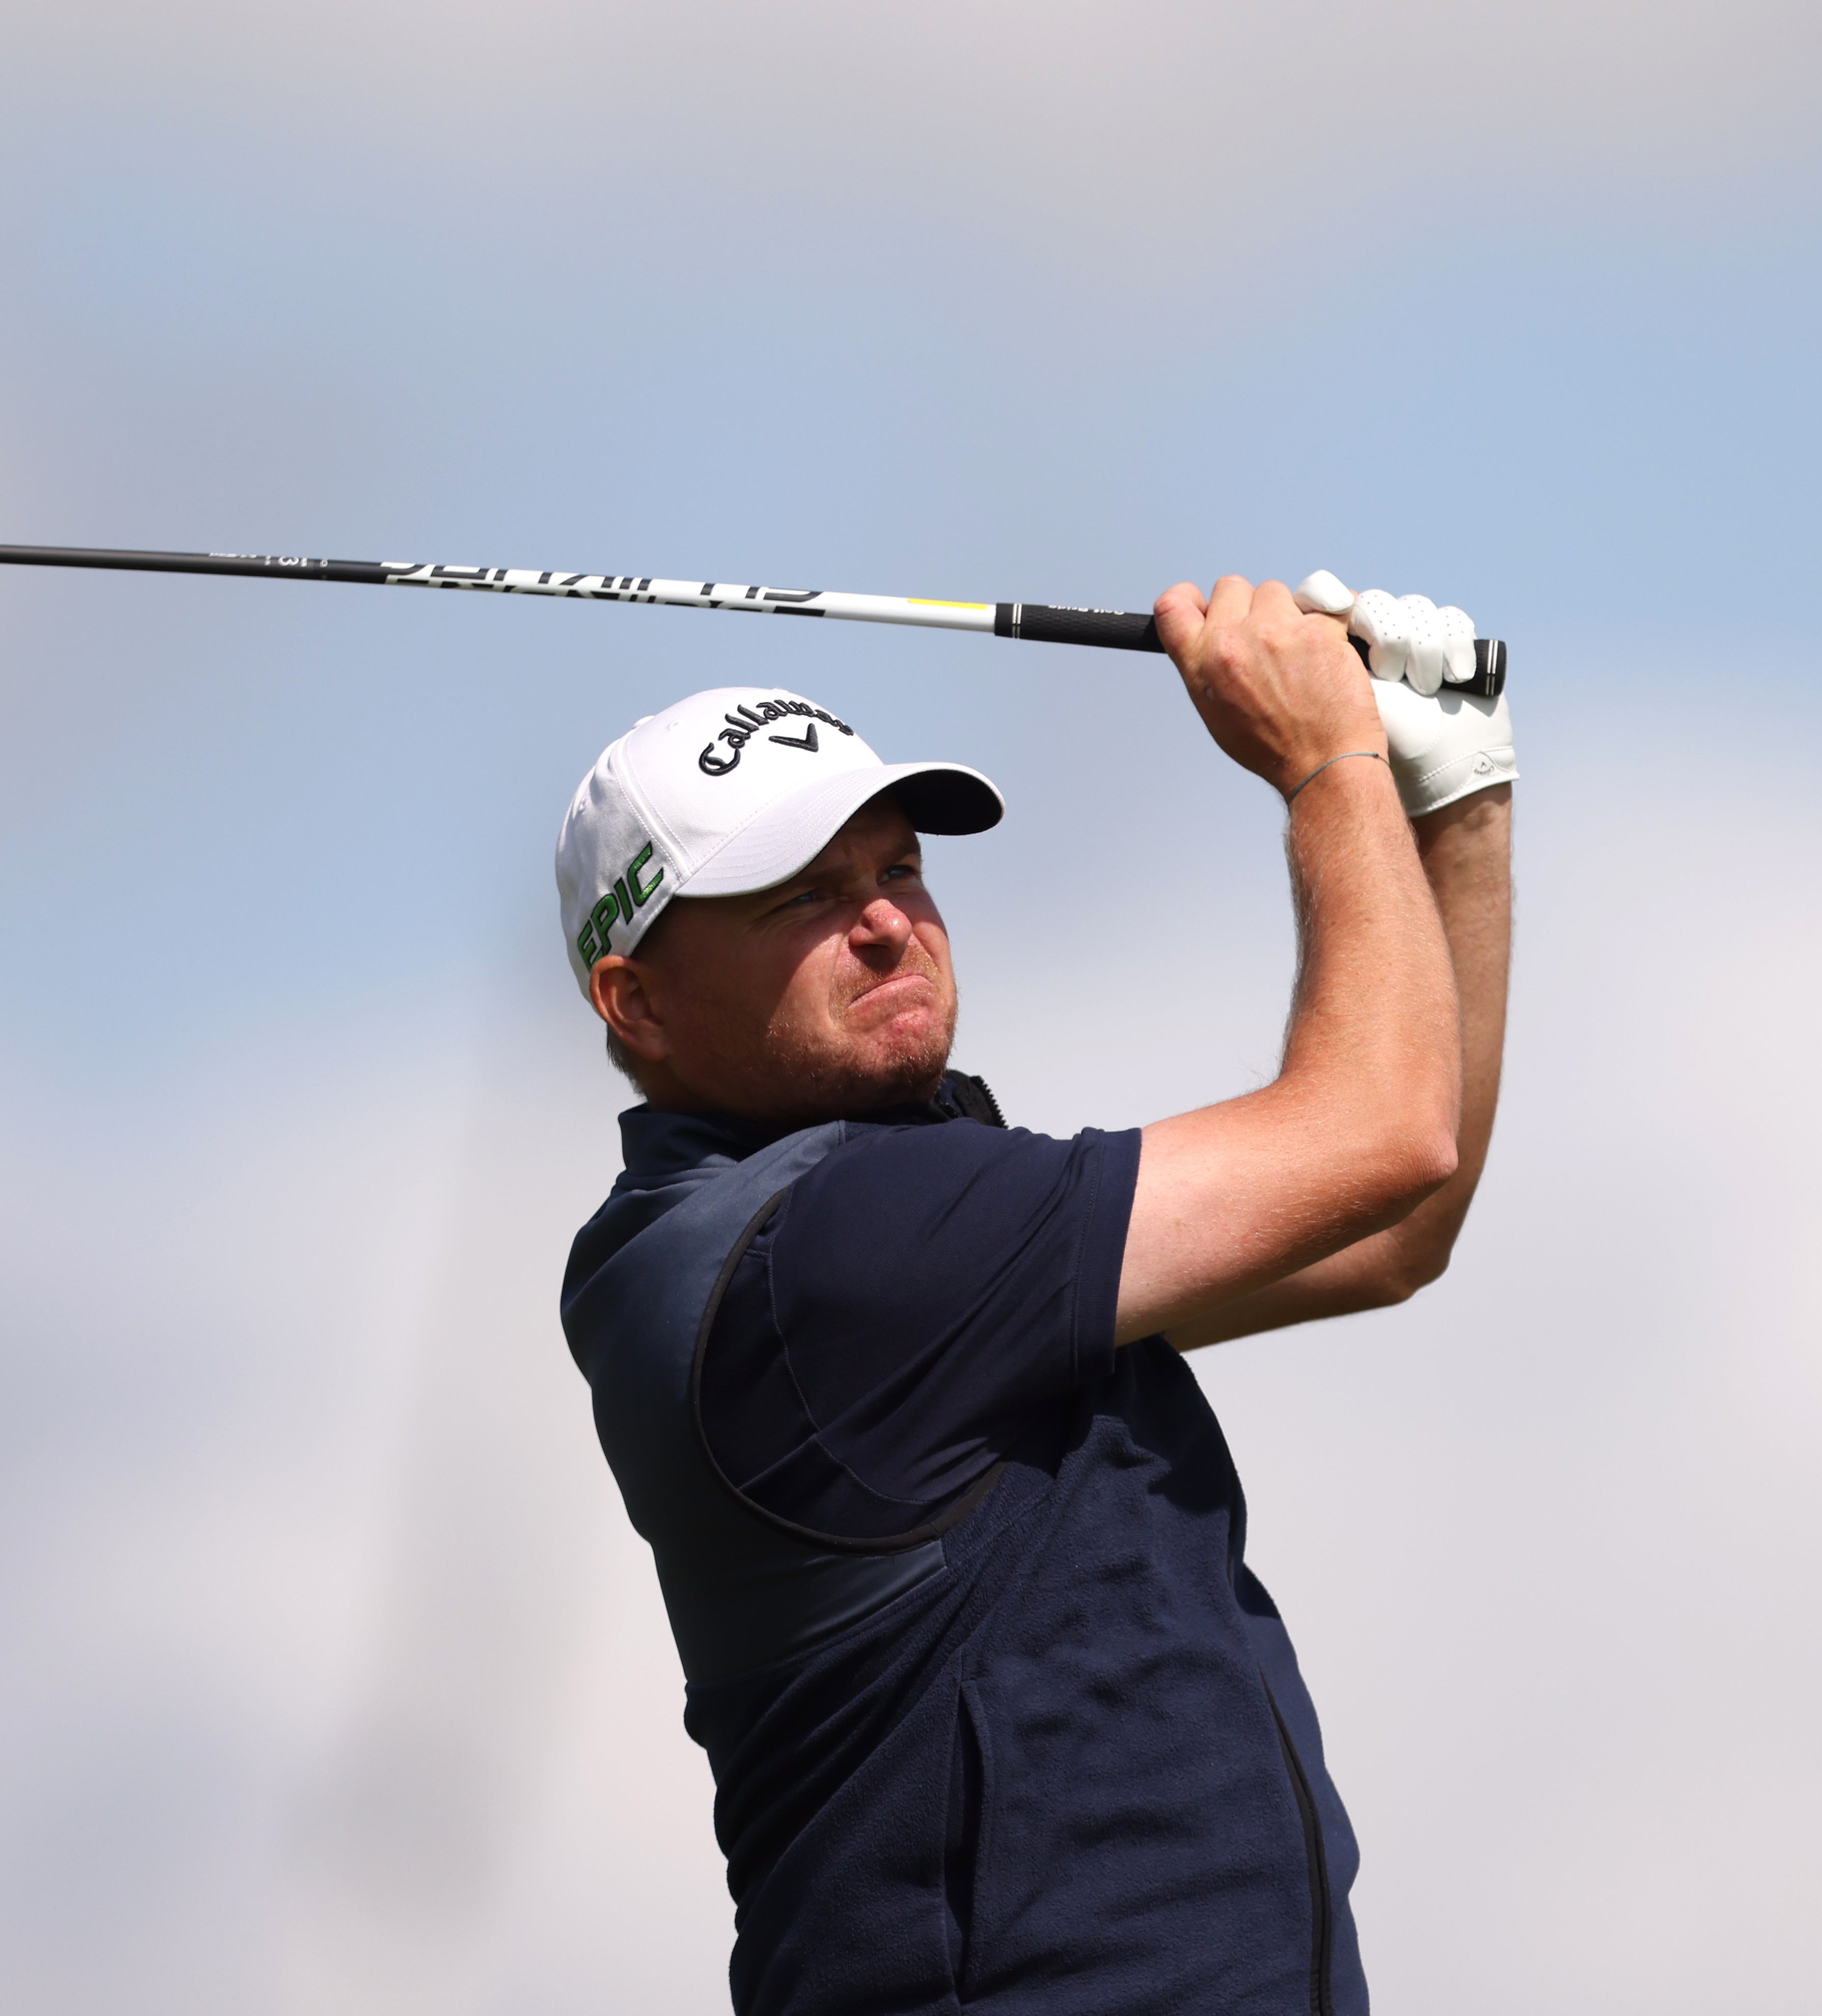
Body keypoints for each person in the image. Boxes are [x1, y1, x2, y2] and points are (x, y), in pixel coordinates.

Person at [553, 572, 1515, 2015]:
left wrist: (1454, 809)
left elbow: (1389, 1224)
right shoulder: (826, 1247)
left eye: (896, 871)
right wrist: (1328, 764)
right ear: (635, 1002)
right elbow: (1381, 1134)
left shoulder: (905, 1213)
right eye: (803, 899)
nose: (885, 924)